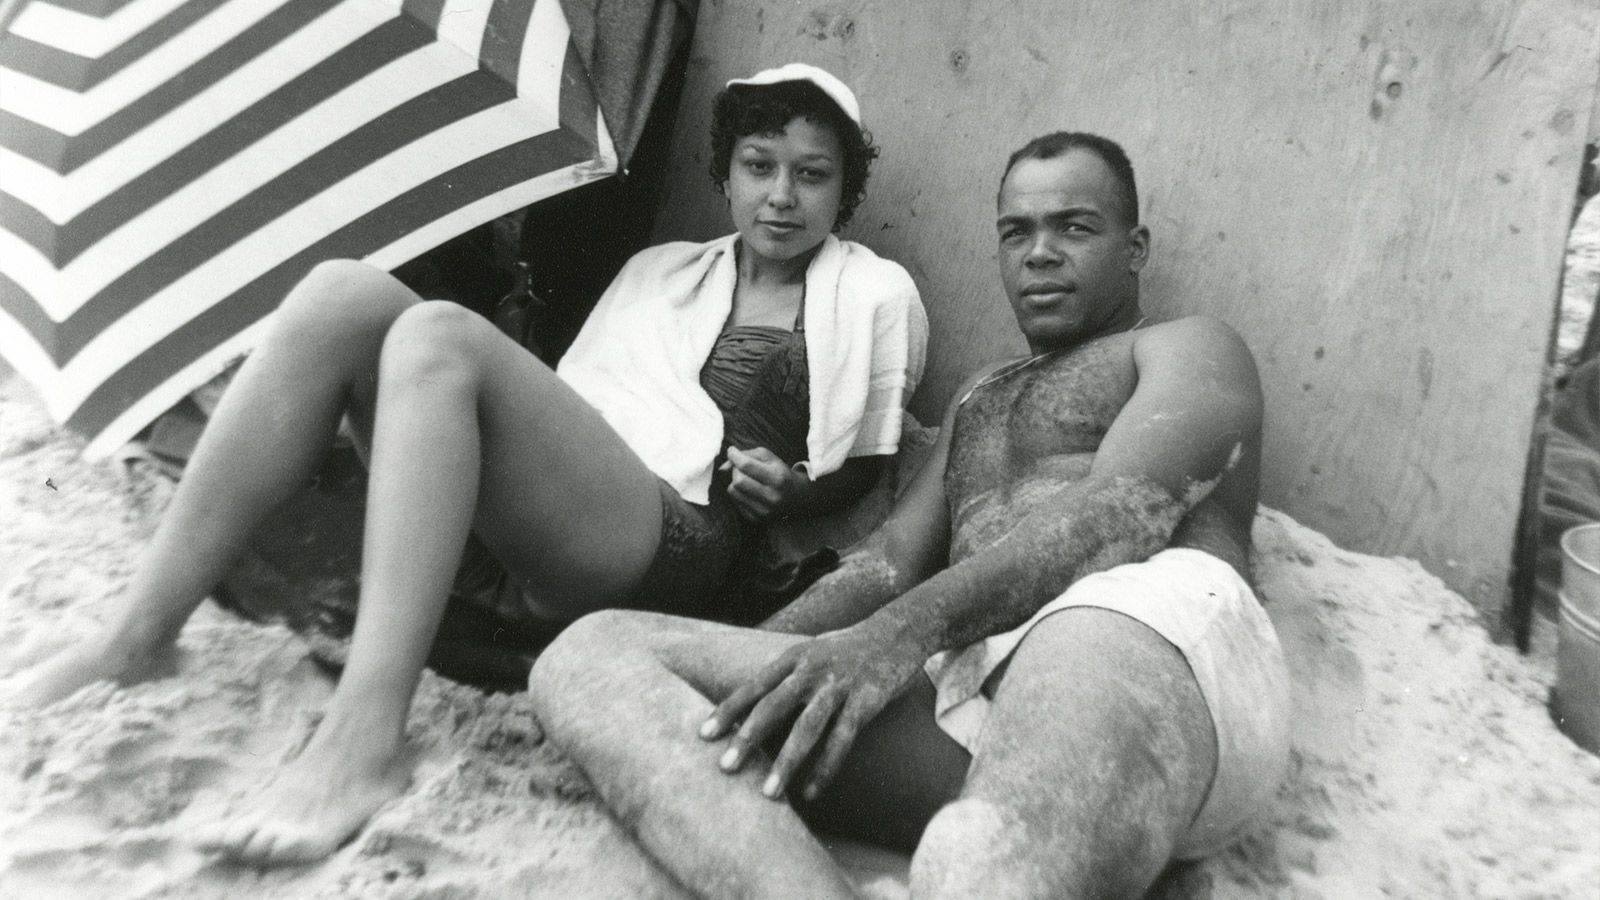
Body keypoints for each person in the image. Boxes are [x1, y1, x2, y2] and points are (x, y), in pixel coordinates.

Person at [6, 63, 926, 866]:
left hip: (677, 542)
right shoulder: (661, 270)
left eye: (812, 176)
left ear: (844, 193)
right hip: (584, 503)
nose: (780, 196)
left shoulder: (870, 292)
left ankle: (365, 737)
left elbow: (867, 459)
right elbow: (586, 394)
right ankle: (136, 637)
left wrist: (793, 487)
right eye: (759, 167)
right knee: (341, 292)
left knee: (440, 337)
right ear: (724, 173)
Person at [528, 131, 1291, 899]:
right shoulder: (982, 391)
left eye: (1074, 227)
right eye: (1016, 232)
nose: (1040, 253)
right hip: (968, 686)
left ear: (1135, 248)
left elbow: (1112, 521)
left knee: (980, 865)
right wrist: (753, 668)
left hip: (1130, 635)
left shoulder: (1190, 347)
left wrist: (896, 636)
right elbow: (891, 559)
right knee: (592, 659)